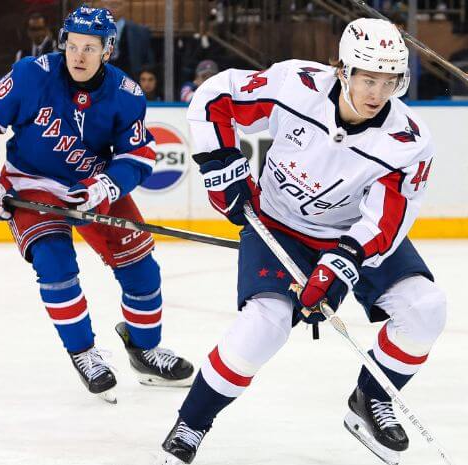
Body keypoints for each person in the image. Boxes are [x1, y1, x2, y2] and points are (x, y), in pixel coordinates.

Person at [156, 17, 447, 465]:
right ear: (343, 70)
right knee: (264, 326)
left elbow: (387, 221)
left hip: (352, 234)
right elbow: (214, 97)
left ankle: (370, 399)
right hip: (277, 224)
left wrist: (341, 263)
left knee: (425, 308)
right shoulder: (296, 85)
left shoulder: (408, 140)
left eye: (389, 81)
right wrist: (220, 165)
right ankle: (191, 423)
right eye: (368, 79)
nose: (377, 93)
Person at [0, 5, 194, 403]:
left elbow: (137, 156)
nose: (79, 56)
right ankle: (84, 353)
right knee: (55, 264)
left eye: (90, 48)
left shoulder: (126, 94)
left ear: (107, 50)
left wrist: (106, 186)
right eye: (72, 46)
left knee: (141, 267)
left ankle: (145, 350)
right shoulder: (32, 74)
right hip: (32, 183)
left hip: (92, 185)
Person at [101, 0, 154, 77]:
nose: (111, 8)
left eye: (115, 4)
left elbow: (148, 65)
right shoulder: (91, 31)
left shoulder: (140, 32)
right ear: (102, 5)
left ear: (125, 5)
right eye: (108, 4)